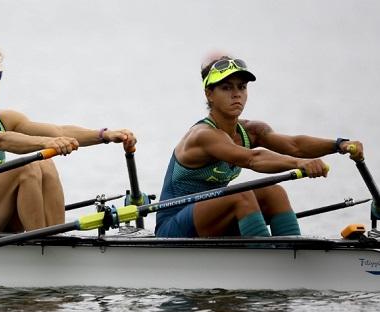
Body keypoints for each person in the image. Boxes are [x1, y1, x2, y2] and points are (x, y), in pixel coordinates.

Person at [0, 42, 136, 234]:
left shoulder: (5, 118)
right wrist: (46, 143)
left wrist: (104, 135)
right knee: (27, 167)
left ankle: (56, 240)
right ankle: (41, 247)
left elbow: (58, 131)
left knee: (45, 164)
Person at [155, 53, 364, 238]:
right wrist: (300, 164)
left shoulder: (252, 130)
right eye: (226, 87)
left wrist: (340, 144)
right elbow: (252, 159)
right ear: (209, 94)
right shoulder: (202, 135)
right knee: (241, 195)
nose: (236, 94)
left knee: (275, 193)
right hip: (173, 226)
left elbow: (294, 145)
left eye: (241, 87)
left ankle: (291, 254)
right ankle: (269, 262)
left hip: (213, 218)